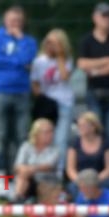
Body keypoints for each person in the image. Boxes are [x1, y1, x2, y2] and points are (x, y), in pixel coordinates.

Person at [0, 5, 37, 185]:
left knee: (22, 136)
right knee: (1, 136)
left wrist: (20, 42)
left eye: (19, 21)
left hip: (22, 92)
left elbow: (29, 60)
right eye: (12, 20)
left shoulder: (28, 40)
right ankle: (1, 177)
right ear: (5, 20)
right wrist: (19, 63)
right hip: (0, 91)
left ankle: (18, 177)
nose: (16, 23)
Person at [77, 2, 109, 160]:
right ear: (95, 18)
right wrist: (107, 60)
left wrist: (96, 70)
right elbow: (82, 64)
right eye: (104, 16)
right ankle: (96, 167)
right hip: (94, 94)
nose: (108, 19)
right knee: (96, 132)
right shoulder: (86, 40)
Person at [30, 28, 74, 175]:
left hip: (64, 103)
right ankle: (44, 172)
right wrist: (41, 97)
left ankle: (58, 174)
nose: (51, 46)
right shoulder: (38, 61)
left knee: (61, 140)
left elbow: (64, 76)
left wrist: (60, 55)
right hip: (47, 104)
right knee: (45, 138)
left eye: (55, 43)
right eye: (49, 42)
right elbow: (35, 84)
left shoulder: (67, 60)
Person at [66, 111, 109, 198]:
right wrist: (81, 181)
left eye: (83, 126)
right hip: (80, 179)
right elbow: (70, 169)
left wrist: (95, 180)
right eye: (79, 126)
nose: (79, 128)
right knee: (73, 187)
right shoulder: (74, 143)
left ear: (93, 127)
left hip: (100, 179)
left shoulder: (106, 143)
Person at [13, 118, 59, 203]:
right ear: (37, 133)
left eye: (52, 131)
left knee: (24, 173)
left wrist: (30, 169)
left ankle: (18, 200)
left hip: (46, 182)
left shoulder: (55, 150)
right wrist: (25, 170)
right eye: (47, 132)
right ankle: (18, 199)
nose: (51, 134)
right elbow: (17, 166)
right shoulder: (26, 146)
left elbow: (49, 166)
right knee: (22, 174)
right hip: (28, 181)